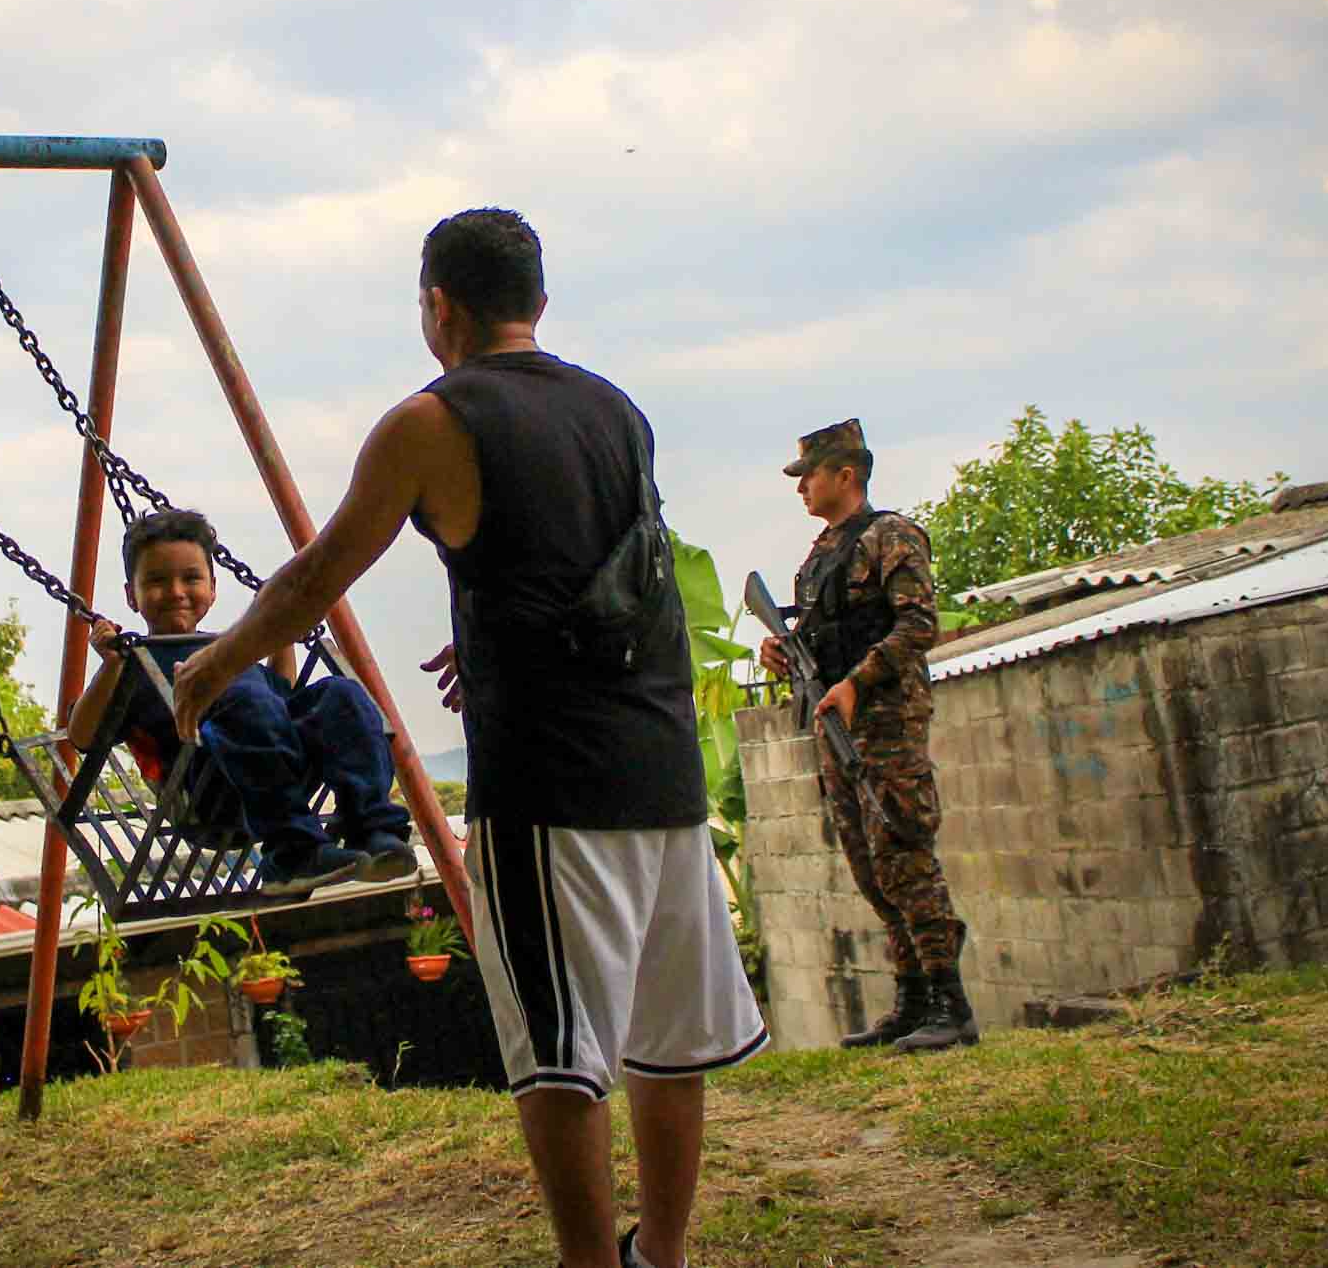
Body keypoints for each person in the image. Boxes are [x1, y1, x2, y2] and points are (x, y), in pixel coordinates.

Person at [171, 209, 766, 1268]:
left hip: (551, 784)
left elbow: (314, 577)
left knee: (556, 1053)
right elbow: (618, 580)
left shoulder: (428, 422)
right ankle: (659, 1255)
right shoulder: (615, 410)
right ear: (537, 299)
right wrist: (495, 645)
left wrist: (212, 664)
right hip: (664, 763)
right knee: (671, 1038)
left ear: (438, 306)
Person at [757, 419, 975, 1052]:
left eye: (809, 477)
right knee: (867, 864)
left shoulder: (892, 537)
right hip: (835, 726)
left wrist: (857, 683)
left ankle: (950, 1003)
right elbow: (820, 636)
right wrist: (781, 652)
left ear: (845, 475)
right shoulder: (821, 556)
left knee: (905, 855)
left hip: (884, 724)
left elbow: (918, 627)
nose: (801, 490)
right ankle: (911, 1001)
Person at [64, 508, 416, 895]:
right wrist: (112, 664)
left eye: (191, 578)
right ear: (132, 595)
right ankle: (291, 854)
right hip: (209, 796)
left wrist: (278, 633)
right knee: (242, 695)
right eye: (158, 581)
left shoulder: (229, 650)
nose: (177, 592)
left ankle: (373, 830)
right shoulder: (135, 664)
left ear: (213, 589)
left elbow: (278, 700)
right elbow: (82, 736)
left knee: (341, 693)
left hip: (276, 776)